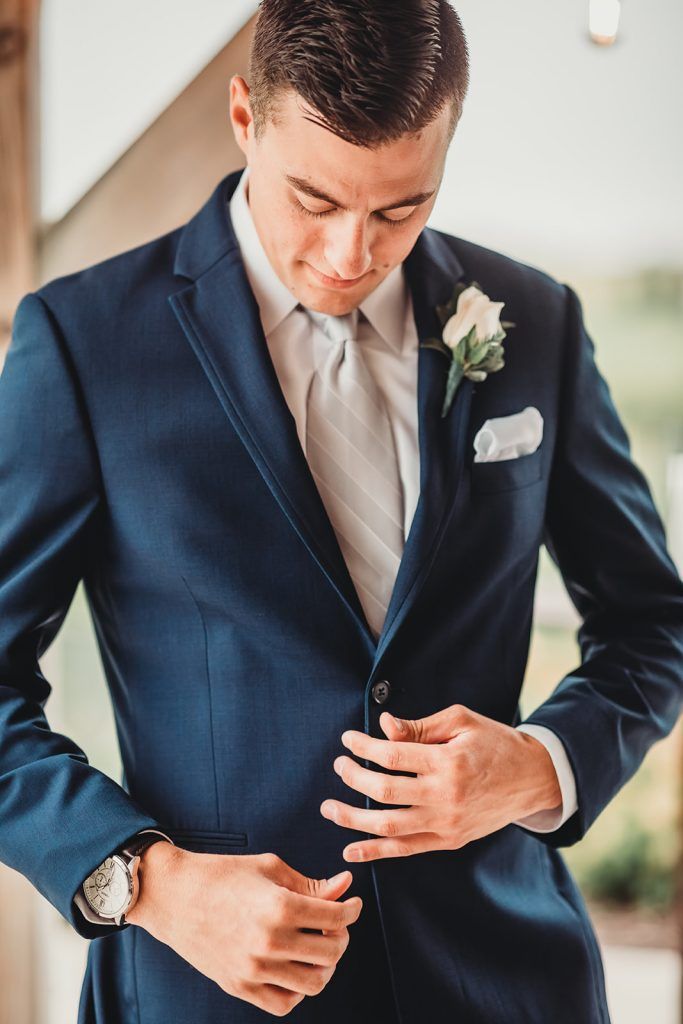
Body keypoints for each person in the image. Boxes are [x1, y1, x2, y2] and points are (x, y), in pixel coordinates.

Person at [1, 1, 681, 1021]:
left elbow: (650, 624)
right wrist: (151, 880)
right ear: (243, 116)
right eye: (311, 198)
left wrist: (540, 766)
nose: (348, 253)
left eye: (399, 209)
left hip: (505, 980)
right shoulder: (86, 344)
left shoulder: (533, 322)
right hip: (213, 995)